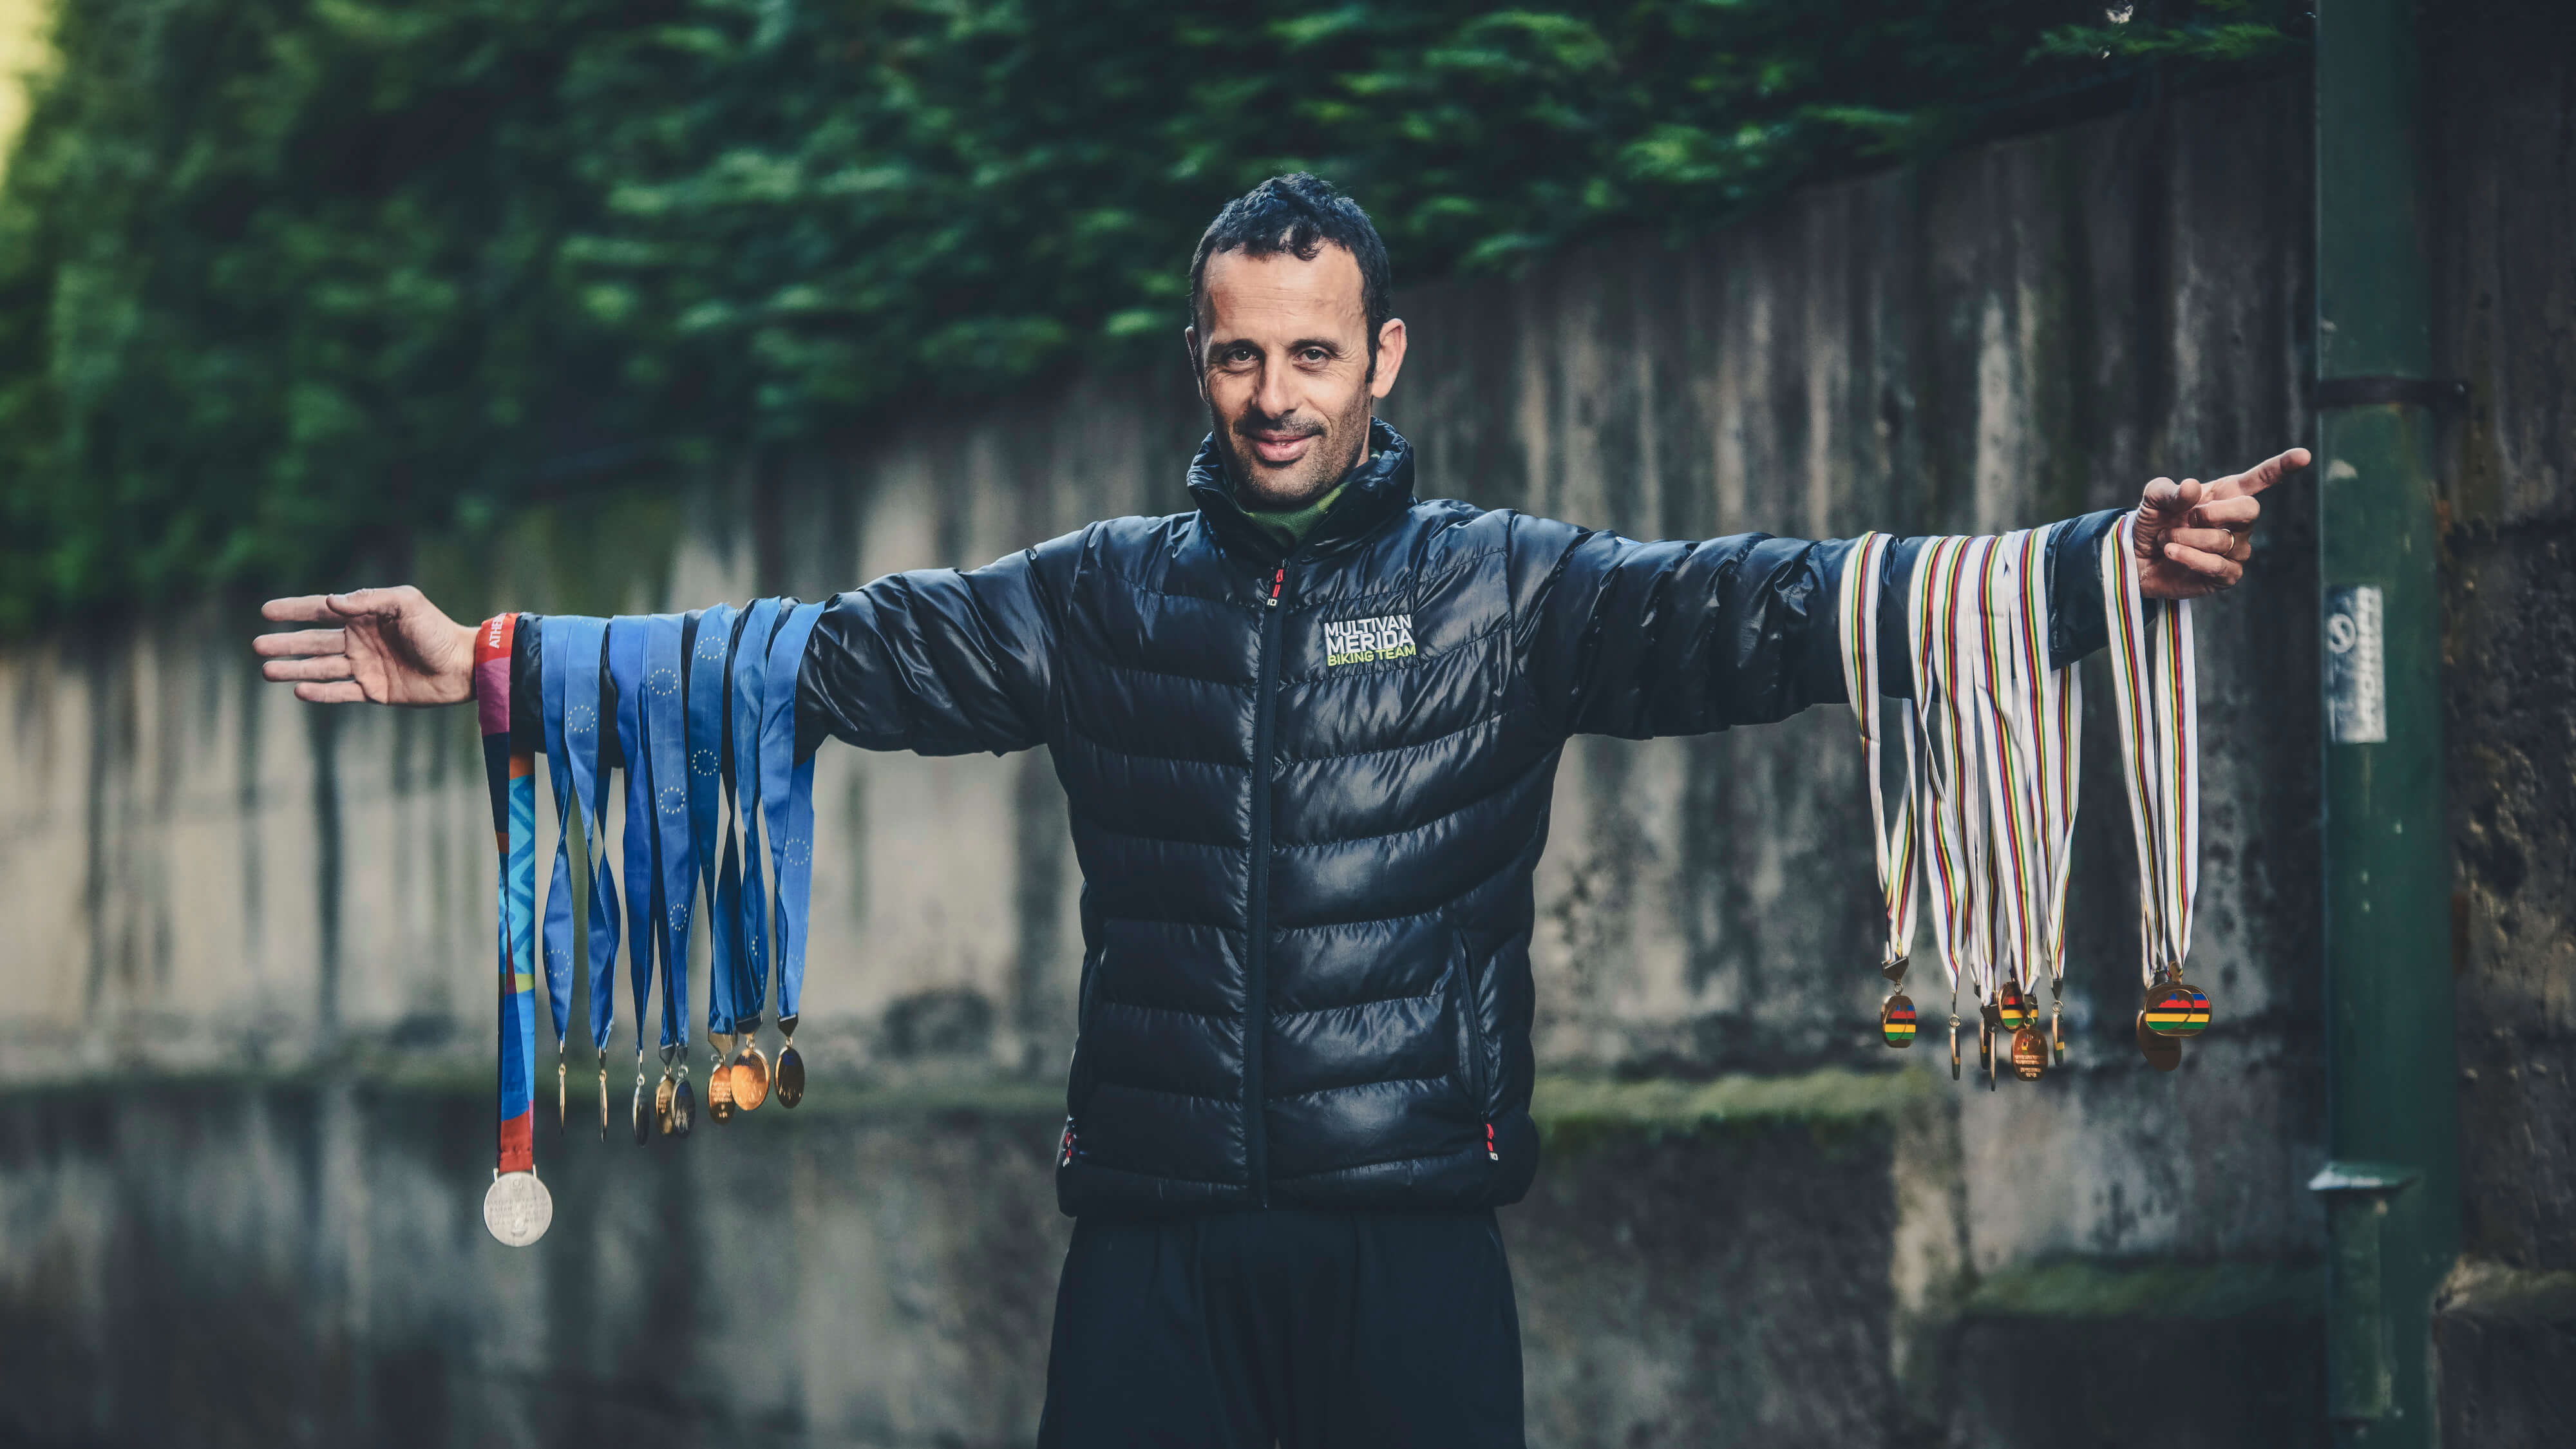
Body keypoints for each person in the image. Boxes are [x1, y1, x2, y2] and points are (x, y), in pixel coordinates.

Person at [255, 173, 2303, 1448]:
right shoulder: (1093, 597)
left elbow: (1772, 608)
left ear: (1383, 351)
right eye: (1240, 357)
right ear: (1198, 361)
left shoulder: (1519, 590)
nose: (1276, 395)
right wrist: (500, 662)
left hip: (1407, 1235)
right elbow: (814, 656)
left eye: (1314, 352)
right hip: (1147, 1239)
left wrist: (2088, 567)